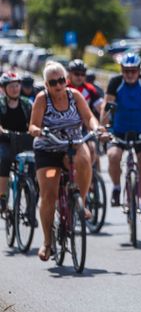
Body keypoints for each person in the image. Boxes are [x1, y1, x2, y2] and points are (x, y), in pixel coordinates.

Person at [29, 61, 102, 261]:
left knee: (85, 159)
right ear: (46, 85)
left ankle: (81, 202)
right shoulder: (42, 99)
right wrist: (38, 131)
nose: (59, 85)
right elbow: (33, 125)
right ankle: (47, 242)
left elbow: (89, 117)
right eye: (53, 83)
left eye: (61, 80)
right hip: (49, 150)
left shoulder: (74, 96)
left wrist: (96, 128)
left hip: (72, 144)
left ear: (66, 80)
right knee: (49, 195)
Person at [101, 53, 141, 222]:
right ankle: (116, 187)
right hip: (118, 131)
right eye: (126, 71)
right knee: (113, 156)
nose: (129, 74)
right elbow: (106, 107)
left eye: (133, 71)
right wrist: (104, 129)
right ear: (121, 70)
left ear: (139, 70)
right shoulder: (116, 82)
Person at [0, 72, 33, 213]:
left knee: (34, 164)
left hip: (24, 141)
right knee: (4, 158)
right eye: (11, 86)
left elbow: (34, 121)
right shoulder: (1, 104)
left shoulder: (27, 104)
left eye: (17, 85)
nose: (15, 89)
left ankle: (32, 201)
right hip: (5, 141)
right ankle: (2, 196)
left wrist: (34, 129)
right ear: (4, 88)